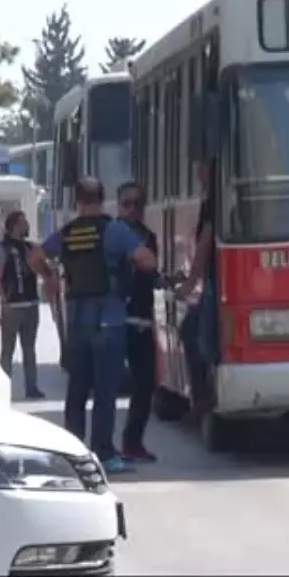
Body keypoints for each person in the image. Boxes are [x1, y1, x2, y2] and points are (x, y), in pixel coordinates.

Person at [29, 177, 157, 474]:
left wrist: (49, 275)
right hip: (109, 321)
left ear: (77, 201)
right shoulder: (115, 230)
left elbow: (35, 255)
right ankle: (104, 453)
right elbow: (146, 260)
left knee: (77, 388)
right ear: (104, 199)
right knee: (105, 391)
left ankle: (72, 453)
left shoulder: (68, 233)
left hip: (77, 321)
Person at [115, 181, 167, 463]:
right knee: (104, 385)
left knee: (145, 384)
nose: (132, 210)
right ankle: (101, 447)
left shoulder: (148, 236)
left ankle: (132, 443)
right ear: (118, 205)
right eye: (126, 204)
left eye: (138, 204)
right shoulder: (111, 234)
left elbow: (151, 275)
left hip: (141, 318)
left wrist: (169, 281)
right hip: (113, 319)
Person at [174, 160, 218, 410]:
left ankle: (204, 398)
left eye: (202, 166)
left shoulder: (214, 200)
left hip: (216, 279)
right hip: (213, 277)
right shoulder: (214, 196)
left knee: (193, 330)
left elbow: (205, 243)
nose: (198, 172)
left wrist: (191, 283)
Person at [0, 210, 44, 399]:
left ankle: (32, 387)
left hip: (31, 303)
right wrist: (3, 301)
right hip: (12, 306)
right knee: (8, 349)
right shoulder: (1, 248)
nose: (26, 226)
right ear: (13, 226)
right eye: (23, 223)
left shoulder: (30, 248)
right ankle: (3, 388)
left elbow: (41, 270)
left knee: (29, 349)